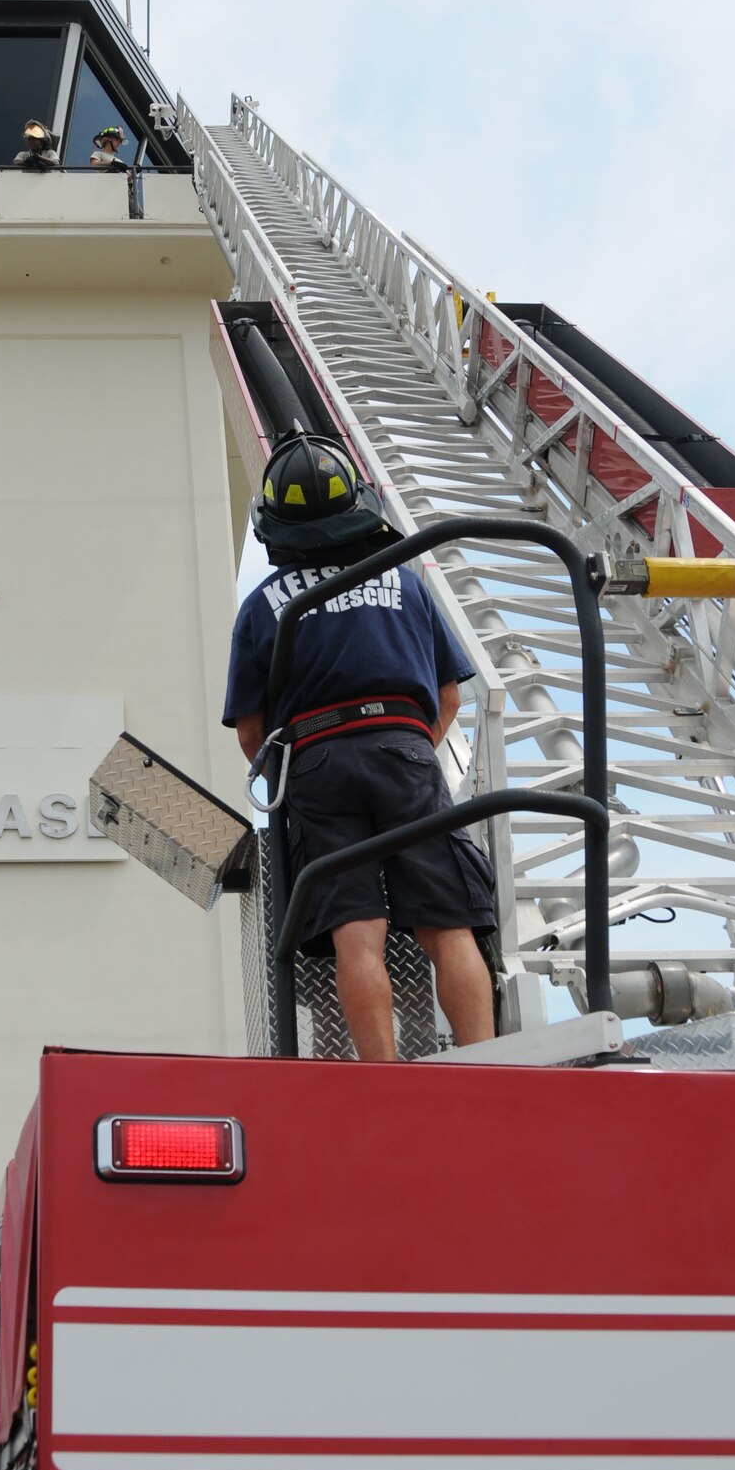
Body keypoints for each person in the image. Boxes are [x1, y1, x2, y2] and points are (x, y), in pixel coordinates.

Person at [223, 430, 496, 1061]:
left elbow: (249, 733)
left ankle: (380, 1072)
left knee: (356, 930)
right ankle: (488, 1063)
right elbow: (450, 695)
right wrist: (406, 750)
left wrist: (303, 774)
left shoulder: (263, 607)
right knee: (446, 919)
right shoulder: (405, 583)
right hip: (404, 746)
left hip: (314, 761)